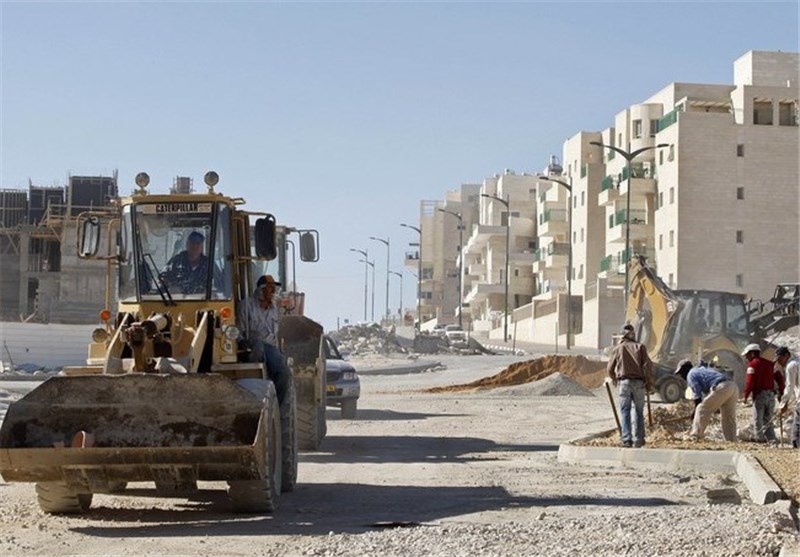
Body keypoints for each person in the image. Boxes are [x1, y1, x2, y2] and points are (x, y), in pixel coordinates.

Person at [237, 274, 291, 405]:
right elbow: (237, 329)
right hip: (252, 346)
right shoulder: (246, 305)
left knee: (284, 372)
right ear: (260, 289)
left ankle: (277, 404)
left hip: (270, 347)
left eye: (274, 287)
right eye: (270, 287)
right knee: (257, 346)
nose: (273, 291)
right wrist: (241, 341)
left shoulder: (274, 309)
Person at [607, 325, 654, 448]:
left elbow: (609, 368)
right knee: (639, 411)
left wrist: (614, 379)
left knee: (625, 411)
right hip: (639, 383)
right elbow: (648, 366)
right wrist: (648, 383)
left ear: (622, 337)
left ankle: (627, 440)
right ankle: (639, 439)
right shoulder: (641, 347)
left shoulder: (618, 348)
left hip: (624, 383)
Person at [674, 359, 739, 442]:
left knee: (701, 409)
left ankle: (695, 436)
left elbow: (698, 399)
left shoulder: (691, 374)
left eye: (681, 373)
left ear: (685, 369)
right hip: (732, 386)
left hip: (721, 386)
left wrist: (694, 413)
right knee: (728, 417)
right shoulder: (700, 370)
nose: (682, 376)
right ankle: (732, 440)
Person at [741, 343, 778, 445]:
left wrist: (745, 396)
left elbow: (750, 382)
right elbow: (778, 376)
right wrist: (781, 392)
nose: (747, 358)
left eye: (747, 355)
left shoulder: (752, 364)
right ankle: (772, 440)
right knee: (768, 419)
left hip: (759, 395)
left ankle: (759, 439)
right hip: (771, 395)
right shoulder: (770, 364)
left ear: (752, 354)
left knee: (758, 418)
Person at [775, 346, 799, 448]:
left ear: (786, 356)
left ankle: (797, 447)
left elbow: (789, 387)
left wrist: (782, 404)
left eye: (780, 359)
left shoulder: (791, 366)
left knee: (797, 426)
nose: (779, 362)